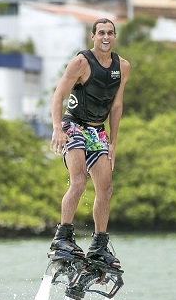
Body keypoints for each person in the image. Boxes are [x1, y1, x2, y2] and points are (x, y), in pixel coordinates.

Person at [48, 18, 131, 270]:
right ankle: (63, 238)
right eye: (101, 33)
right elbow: (58, 95)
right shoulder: (81, 62)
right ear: (93, 36)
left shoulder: (122, 66)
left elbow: (116, 105)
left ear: (115, 37)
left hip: (98, 131)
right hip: (74, 126)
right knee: (80, 180)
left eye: (110, 33)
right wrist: (57, 128)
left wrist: (114, 142)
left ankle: (99, 245)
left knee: (105, 189)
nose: (106, 37)